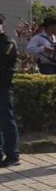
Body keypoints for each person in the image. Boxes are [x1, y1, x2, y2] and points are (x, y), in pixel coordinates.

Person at [0, 14, 20, 168]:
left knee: (7, 120)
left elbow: (3, 63)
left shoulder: (7, 41)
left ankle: (13, 154)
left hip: (3, 86)